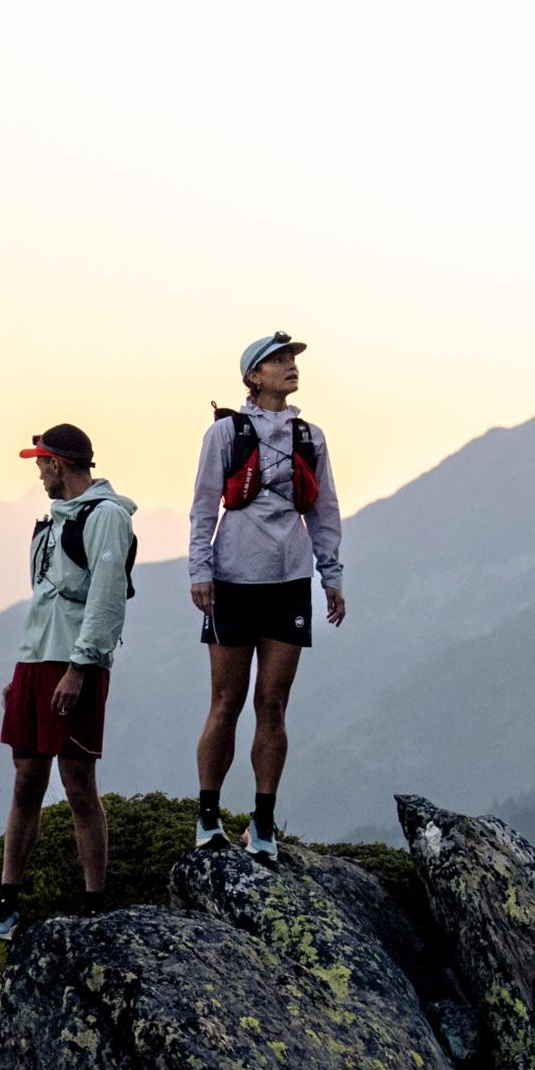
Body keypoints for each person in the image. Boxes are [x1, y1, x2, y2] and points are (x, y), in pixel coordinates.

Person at [189, 334, 346, 860]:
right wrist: (199, 570)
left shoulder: (311, 436)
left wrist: (332, 576)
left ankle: (263, 823)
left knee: (273, 705)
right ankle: (207, 817)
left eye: (293, 360)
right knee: (227, 703)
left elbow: (324, 511)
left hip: (289, 581)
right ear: (253, 376)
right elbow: (204, 504)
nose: (290, 367)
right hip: (233, 578)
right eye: (277, 361)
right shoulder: (225, 433)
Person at [0, 423, 135, 900]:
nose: (37, 473)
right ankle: (7, 898)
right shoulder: (53, 521)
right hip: (36, 663)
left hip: (74, 664)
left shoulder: (106, 516)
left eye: (40, 462)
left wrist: (79, 668)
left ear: (56, 462)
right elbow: (43, 600)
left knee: (78, 782)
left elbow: (106, 598)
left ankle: (94, 898)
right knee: (26, 780)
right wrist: (21, 671)